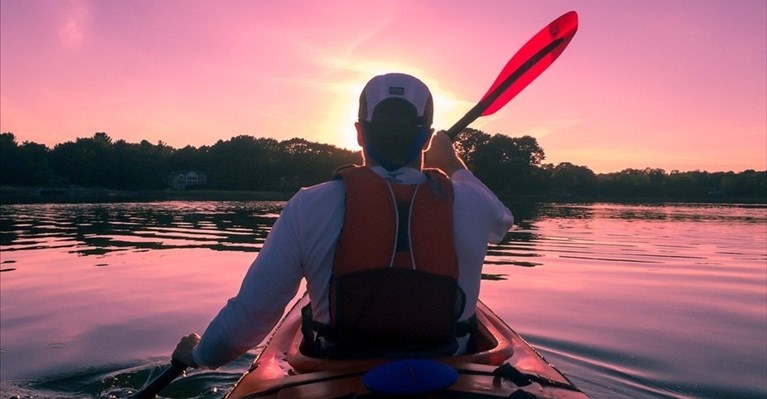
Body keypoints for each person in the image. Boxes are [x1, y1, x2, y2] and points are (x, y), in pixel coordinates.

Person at [172, 72, 514, 368]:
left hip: (338, 371)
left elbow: (247, 321)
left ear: (359, 133)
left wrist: (200, 355)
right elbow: (503, 220)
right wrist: (452, 162)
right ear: (426, 138)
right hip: (450, 372)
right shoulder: (472, 203)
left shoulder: (309, 205)